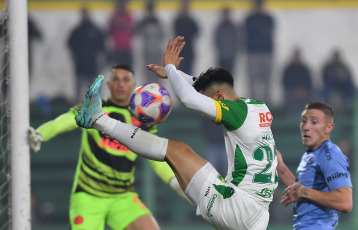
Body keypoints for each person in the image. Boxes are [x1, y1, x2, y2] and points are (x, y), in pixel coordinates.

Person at [75, 36, 278, 229]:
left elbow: (190, 99)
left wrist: (172, 67)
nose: (206, 113)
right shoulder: (258, 107)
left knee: (174, 149)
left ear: (219, 96)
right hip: (258, 214)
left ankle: (97, 119)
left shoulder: (235, 112)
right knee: (178, 150)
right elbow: (205, 89)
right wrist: (175, 75)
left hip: (239, 208)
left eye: (211, 102)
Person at [28, 64, 185, 230]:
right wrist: (41, 134)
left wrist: (174, 181)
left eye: (126, 80)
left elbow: (155, 157)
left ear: (133, 86)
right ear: (109, 85)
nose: (121, 84)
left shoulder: (143, 123)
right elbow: (65, 120)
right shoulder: (92, 109)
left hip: (123, 197)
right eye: (116, 80)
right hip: (89, 196)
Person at [277, 101, 353, 230]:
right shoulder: (312, 155)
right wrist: (280, 167)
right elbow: (302, 191)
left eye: (314, 122)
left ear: (328, 128)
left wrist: (303, 191)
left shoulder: (330, 155)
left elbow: (345, 202)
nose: (306, 126)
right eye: (304, 121)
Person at [68, 7, 105, 103]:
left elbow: (102, 46)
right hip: (80, 64)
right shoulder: (77, 30)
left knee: (94, 88)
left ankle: (95, 106)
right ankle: (78, 107)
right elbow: (70, 44)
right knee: (79, 89)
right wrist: (75, 56)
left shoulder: (95, 30)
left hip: (92, 64)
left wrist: (100, 59)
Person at [244, 0, 275, 102]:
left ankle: (267, 99)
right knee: (253, 78)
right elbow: (252, 31)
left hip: (266, 52)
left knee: (266, 77)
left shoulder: (268, 18)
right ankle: (252, 99)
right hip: (253, 52)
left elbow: (267, 31)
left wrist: (258, 30)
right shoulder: (249, 19)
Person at [322, 49, 356, 114]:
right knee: (325, 88)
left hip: (342, 87)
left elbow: (349, 78)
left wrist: (343, 77)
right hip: (331, 86)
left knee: (351, 88)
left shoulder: (344, 67)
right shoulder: (328, 67)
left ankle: (348, 102)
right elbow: (324, 78)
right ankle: (325, 104)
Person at [282, 48, 313, 114]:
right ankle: (289, 115)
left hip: (304, 91)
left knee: (312, 95)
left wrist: (303, 90)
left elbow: (309, 83)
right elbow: (285, 82)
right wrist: (295, 90)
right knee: (288, 95)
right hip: (291, 91)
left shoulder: (305, 69)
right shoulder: (288, 69)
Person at [173, 1, 199, 75]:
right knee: (179, 75)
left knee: (189, 74)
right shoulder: (178, 21)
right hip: (180, 52)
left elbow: (197, 32)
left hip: (189, 52)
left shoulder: (191, 21)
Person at [107, 0, 135, 66]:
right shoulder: (114, 18)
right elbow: (109, 32)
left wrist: (122, 25)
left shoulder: (128, 17)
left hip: (127, 49)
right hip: (117, 49)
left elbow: (132, 30)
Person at [214, 8, 239, 74]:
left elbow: (236, 41)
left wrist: (234, 52)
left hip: (231, 56)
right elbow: (217, 40)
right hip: (222, 56)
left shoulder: (233, 27)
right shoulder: (220, 27)